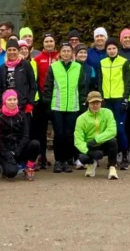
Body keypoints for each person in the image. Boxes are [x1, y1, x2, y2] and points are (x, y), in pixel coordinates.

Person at [42, 44, 91, 173]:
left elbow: (82, 88)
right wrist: (47, 106)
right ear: (60, 53)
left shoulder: (78, 67)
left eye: (68, 51)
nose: (66, 53)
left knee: (69, 135)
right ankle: (58, 161)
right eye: (63, 51)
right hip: (57, 107)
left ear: (72, 53)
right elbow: (48, 87)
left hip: (73, 107)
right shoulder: (54, 67)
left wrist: (82, 104)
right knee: (59, 135)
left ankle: (67, 161)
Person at [98, 38, 130, 169]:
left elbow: (127, 82)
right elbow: (100, 83)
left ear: (117, 49)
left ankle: (124, 156)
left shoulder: (124, 62)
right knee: (109, 131)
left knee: (120, 130)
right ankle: (113, 158)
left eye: (113, 48)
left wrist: (125, 99)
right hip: (107, 100)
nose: (111, 51)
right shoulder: (102, 63)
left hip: (119, 100)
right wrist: (102, 98)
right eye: (109, 49)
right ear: (106, 50)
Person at [0, 90, 40, 180]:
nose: (12, 102)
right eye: (9, 99)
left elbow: (25, 136)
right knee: (11, 173)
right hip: (6, 151)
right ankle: (6, 166)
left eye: (14, 99)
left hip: (19, 148)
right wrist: (7, 153)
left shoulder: (21, 115)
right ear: (4, 101)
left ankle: (29, 167)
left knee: (35, 144)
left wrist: (17, 151)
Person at [74, 92, 120, 180]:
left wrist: (96, 140)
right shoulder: (81, 118)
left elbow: (112, 130)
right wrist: (88, 151)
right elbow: (78, 140)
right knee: (82, 157)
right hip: (90, 146)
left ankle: (112, 167)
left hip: (103, 143)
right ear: (88, 103)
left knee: (113, 141)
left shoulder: (107, 113)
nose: (95, 105)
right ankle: (91, 164)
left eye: (97, 103)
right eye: (92, 103)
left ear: (101, 102)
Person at [31, 34, 59, 169]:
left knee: (58, 129)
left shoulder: (59, 57)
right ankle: (41, 157)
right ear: (42, 44)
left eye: (51, 41)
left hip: (58, 98)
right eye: (46, 41)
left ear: (54, 43)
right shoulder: (37, 60)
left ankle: (61, 157)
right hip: (42, 99)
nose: (49, 44)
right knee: (40, 131)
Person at [0, 39, 37, 117]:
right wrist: (0, 105)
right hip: (7, 107)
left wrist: (30, 103)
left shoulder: (25, 65)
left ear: (18, 51)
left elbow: (33, 85)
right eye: (9, 50)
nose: (12, 52)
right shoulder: (3, 68)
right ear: (6, 52)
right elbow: (0, 88)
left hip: (23, 106)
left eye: (14, 50)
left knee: (25, 129)